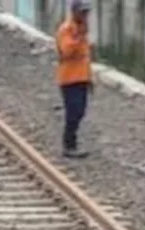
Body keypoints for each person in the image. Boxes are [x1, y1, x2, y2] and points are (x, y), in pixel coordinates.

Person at [55, 0, 92, 159]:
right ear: (74, 12)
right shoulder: (67, 29)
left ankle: (72, 143)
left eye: (86, 13)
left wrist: (89, 79)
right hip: (69, 79)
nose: (85, 16)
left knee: (81, 111)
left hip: (81, 78)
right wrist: (79, 36)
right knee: (73, 112)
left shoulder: (81, 30)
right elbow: (67, 51)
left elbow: (85, 57)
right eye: (82, 13)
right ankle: (69, 146)